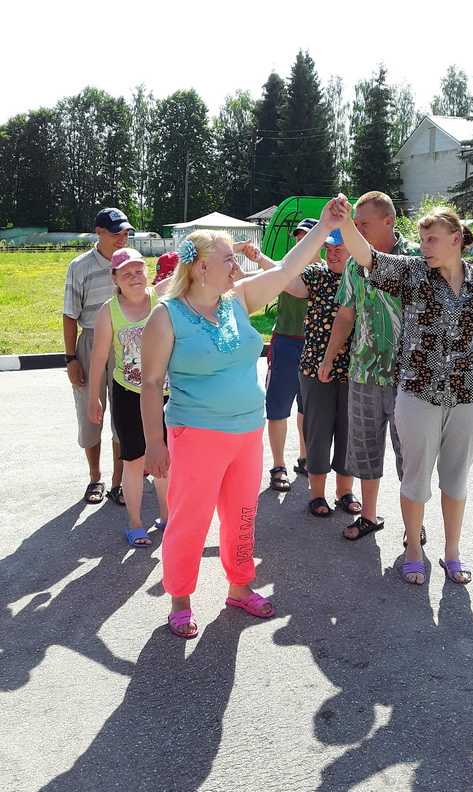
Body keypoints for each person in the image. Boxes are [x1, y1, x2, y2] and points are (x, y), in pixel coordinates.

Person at [140, 203, 340, 638]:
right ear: (201, 268)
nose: (237, 265)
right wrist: (154, 442)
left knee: (243, 515)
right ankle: (180, 598)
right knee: (190, 519)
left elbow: (288, 269)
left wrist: (325, 225)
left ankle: (239, 586)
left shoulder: (239, 300)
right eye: (229, 259)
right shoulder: (166, 315)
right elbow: (151, 383)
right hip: (195, 433)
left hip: (247, 432)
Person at [335, 199, 473, 585]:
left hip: (467, 396)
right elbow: (368, 258)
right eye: (421, 240)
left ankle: (452, 553)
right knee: (416, 478)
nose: (424, 247)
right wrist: (346, 222)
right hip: (418, 393)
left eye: (432, 239)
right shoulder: (414, 273)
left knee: (456, 479)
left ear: (456, 239)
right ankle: (414, 550)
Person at [319, 191, 425, 543]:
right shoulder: (354, 264)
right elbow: (345, 315)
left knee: (410, 455)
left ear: (388, 221)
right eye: (355, 223)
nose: (357, 230)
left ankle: (415, 524)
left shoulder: (417, 259)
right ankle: (368, 516)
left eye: (363, 224)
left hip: (409, 376)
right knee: (365, 449)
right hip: (363, 372)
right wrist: (329, 357)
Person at [87, 248, 170, 548]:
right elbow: (98, 358)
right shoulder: (108, 312)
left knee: (165, 460)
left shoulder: (161, 298)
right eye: (126, 273)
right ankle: (135, 524)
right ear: (115, 278)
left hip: (165, 393)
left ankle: (167, 517)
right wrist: (93, 398)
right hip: (128, 394)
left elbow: (193, 269)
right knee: (134, 460)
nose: (134, 277)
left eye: (138, 271)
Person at [237, 218, 322, 492]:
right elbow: (269, 276)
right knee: (277, 408)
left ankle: (305, 459)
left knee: (307, 408)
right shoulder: (284, 268)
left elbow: (279, 274)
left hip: (314, 346)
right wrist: (244, 270)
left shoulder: (325, 271)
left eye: (306, 237)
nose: (301, 242)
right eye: (298, 238)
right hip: (285, 343)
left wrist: (259, 258)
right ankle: (278, 465)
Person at [284, 229, 362, 518]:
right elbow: (287, 282)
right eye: (328, 249)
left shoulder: (362, 278)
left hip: (353, 370)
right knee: (317, 432)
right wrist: (261, 260)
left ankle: (345, 492)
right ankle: (317, 494)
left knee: (348, 433)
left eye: (338, 249)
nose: (332, 254)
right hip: (317, 368)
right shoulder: (317, 275)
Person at [63, 207, 134, 506]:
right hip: (91, 341)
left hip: (124, 342)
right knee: (90, 414)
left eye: (126, 232)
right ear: (99, 233)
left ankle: (119, 481)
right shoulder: (79, 267)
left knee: (124, 414)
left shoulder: (130, 263)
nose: (122, 238)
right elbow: (69, 315)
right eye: (116, 233)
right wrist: (71, 359)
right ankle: (95, 478)